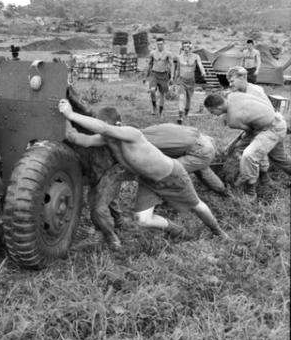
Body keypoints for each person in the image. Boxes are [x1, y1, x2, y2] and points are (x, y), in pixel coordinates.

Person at [58, 99, 229, 246]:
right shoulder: (106, 139)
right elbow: (81, 140)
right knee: (142, 220)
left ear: (118, 124)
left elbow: (104, 128)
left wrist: (71, 114)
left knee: (196, 206)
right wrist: (61, 116)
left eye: (108, 126)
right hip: (149, 181)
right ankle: (177, 231)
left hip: (172, 176)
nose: (102, 130)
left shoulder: (132, 133)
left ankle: (218, 231)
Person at [204, 93, 291, 198]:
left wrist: (235, 145)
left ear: (218, 107)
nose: (214, 115)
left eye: (212, 111)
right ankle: (260, 175)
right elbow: (248, 131)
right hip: (277, 120)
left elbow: (251, 132)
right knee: (278, 158)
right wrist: (232, 145)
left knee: (249, 155)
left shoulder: (233, 119)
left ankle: (250, 192)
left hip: (271, 129)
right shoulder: (232, 96)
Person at [173, 41, 205, 124]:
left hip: (191, 81)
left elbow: (200, 65)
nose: (186, 49)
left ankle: (186, 113)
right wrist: (174, 80)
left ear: (190, 48)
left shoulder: (196, 56)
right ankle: (180, 115)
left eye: (188, 47)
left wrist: (203, 72)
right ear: (182, 48)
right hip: (182, 80)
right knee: (181, 97)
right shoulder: (179, 57)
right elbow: (177, 70)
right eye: (184, 47)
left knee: (188, 99)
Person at [146, 37, 175, 116]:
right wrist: (146, 76)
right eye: (158, 44)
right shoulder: (152, 53)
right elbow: (149, 64)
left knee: (162, 94)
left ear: (164, 44)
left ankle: (160, 111)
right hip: (154, 74)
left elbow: (172, 65)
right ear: (156, 44)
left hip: (164, 75)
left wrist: (172, 77)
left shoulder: (168, 54)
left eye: (161, 44)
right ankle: (154, 107)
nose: (159, 46)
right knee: (152, 90)